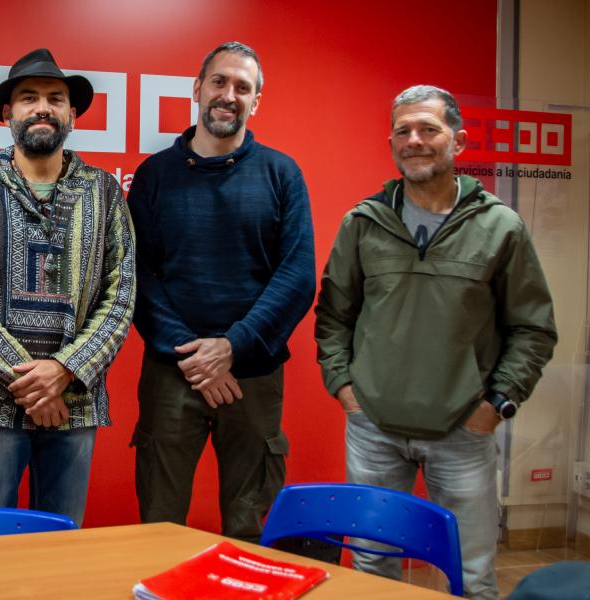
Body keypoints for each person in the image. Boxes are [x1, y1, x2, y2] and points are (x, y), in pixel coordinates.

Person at [315, 84, 557, 599]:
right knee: (369, 567)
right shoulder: (363, 223)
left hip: (463, 433)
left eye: (429, 129)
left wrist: (496, 405)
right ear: (391, 142)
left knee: (470, 576)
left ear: (459, 141)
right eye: (403, 131)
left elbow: (533, 328)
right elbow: (334, 315)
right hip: (374, 429)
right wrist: (346, 391)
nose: (415, 140)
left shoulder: (500, 227)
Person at [0, 48, 135, 526]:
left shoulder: (104, 191)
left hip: (75, 403)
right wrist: (33, 386)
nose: (42, 107)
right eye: (28, 98)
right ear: (8, 113)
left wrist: (64, 373)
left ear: (72, 113)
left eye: (55, 98)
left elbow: (121, 294)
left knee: (61, 543)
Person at [128, 41, 315, 542]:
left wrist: (231, 348)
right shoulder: (153, 176)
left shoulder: (282, 174)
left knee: (249, 522)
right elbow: (140, 277)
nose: (229, 94)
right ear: (197, 88)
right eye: (219, 82)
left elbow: (297, 277)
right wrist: (194, 355)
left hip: (251, 375)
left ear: (256, 101)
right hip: (173, 373)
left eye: (243, 87)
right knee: (159, 524)